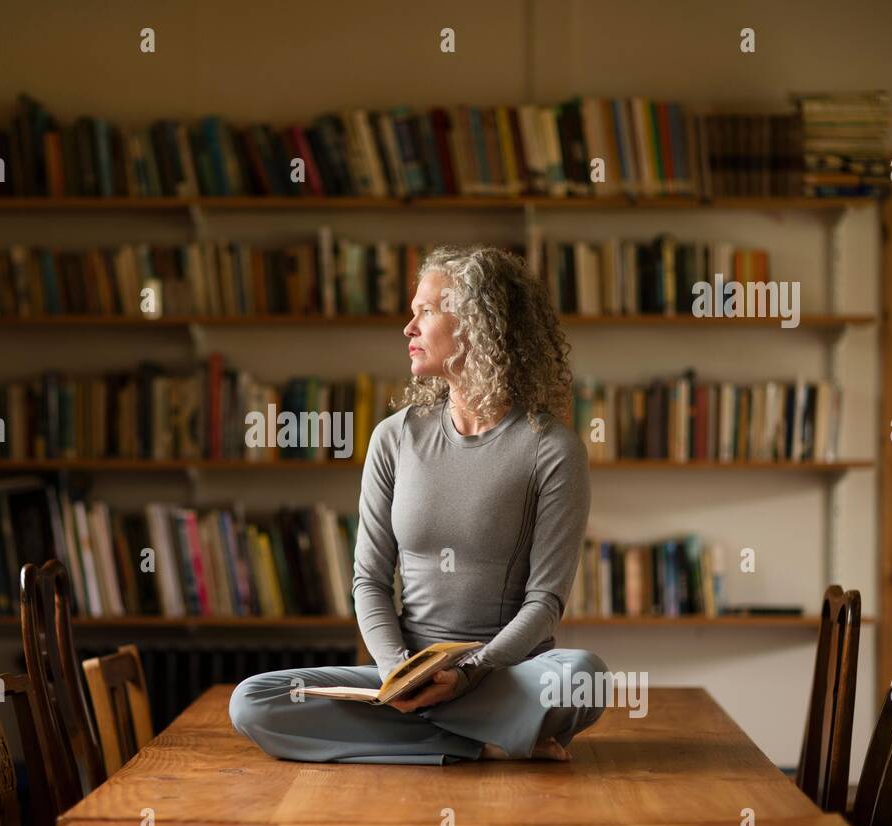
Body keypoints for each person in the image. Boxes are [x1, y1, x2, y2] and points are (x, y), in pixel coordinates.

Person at [229, 245, 609, 764]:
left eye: (426, 312)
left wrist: (467, 674)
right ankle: (481, 743)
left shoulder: (552, 449)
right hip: (406, 674)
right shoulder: (395, 438)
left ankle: (464, 730)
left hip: (504, 676)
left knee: (583, 677)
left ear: (480, 323)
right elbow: (368, 581)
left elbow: (545, 604)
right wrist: (397, 673)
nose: (408, 328)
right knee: (253, 701)